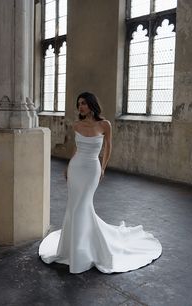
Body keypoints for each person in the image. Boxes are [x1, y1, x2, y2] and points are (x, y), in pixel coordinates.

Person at [39, 92, 162, 274]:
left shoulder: (105, 125)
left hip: (92, 169)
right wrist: (68, 166)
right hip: (76, 168)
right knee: (74, 206)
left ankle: (83, 250)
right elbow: (76, 148)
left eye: (84, 103)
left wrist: (103, 168)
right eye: (79, 103)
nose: (80, 107)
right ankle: (73, 249)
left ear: (91, 105)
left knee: (83, 205)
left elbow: (108, 146)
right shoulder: (76, 125)